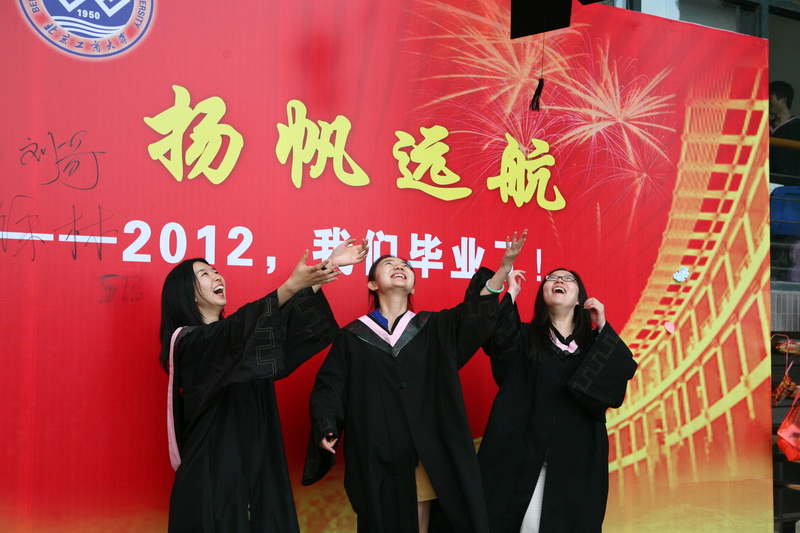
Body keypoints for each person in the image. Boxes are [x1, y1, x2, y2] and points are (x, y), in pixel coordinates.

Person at [302, 231, 527, 533]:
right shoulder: (352, 337)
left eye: (405, 266)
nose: (399, 266)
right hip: (376, 447)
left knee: (423, 519)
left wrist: (502, 270)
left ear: (413, 285)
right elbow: (330, 385)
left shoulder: (434, 328)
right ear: (372, 284)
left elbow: (473, 317)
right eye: (389, 264)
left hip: (427, 443)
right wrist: (326, 424)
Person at [160, 239, 368, 533]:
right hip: (214, 472)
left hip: (259, 463)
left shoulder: (245, 341)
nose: (217, 276)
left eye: (216, 270)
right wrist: (290, 286)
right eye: (204, 274)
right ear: (187, 295)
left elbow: (277, 327)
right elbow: (233, 332)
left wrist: (328, 266)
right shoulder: (188, 343)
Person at [477, 267, 637, 533]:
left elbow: (614, 384)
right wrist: (512, 293)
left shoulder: (593, 345)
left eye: (568, 279)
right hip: (523, 452)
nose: (559, 280)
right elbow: (498, 347)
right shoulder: (524, 337)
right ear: (542, 295)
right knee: (522, 524)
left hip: (577, 456)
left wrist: (602, 327)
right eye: (551, 278)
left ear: (579, 299)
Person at [770, 80, 800, 179]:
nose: (767, 101)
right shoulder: (763, 126)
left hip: (789, 183)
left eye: (770, 97)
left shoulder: (797, 125)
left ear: (783, 98)